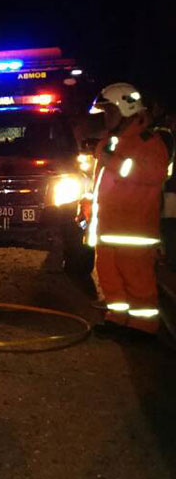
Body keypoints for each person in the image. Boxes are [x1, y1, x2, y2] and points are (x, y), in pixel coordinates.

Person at [88, 82, 170, 335]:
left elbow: (152, 174)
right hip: (109, 229)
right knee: (111, 279)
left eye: (109, 112)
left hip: (134, 233)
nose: (106, 118)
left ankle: (143, 327)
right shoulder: (112, 143)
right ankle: (117, 320)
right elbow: (103, 185)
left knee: (138, 283)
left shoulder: (149, 142)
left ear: (125, 110)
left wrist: (111, 160)